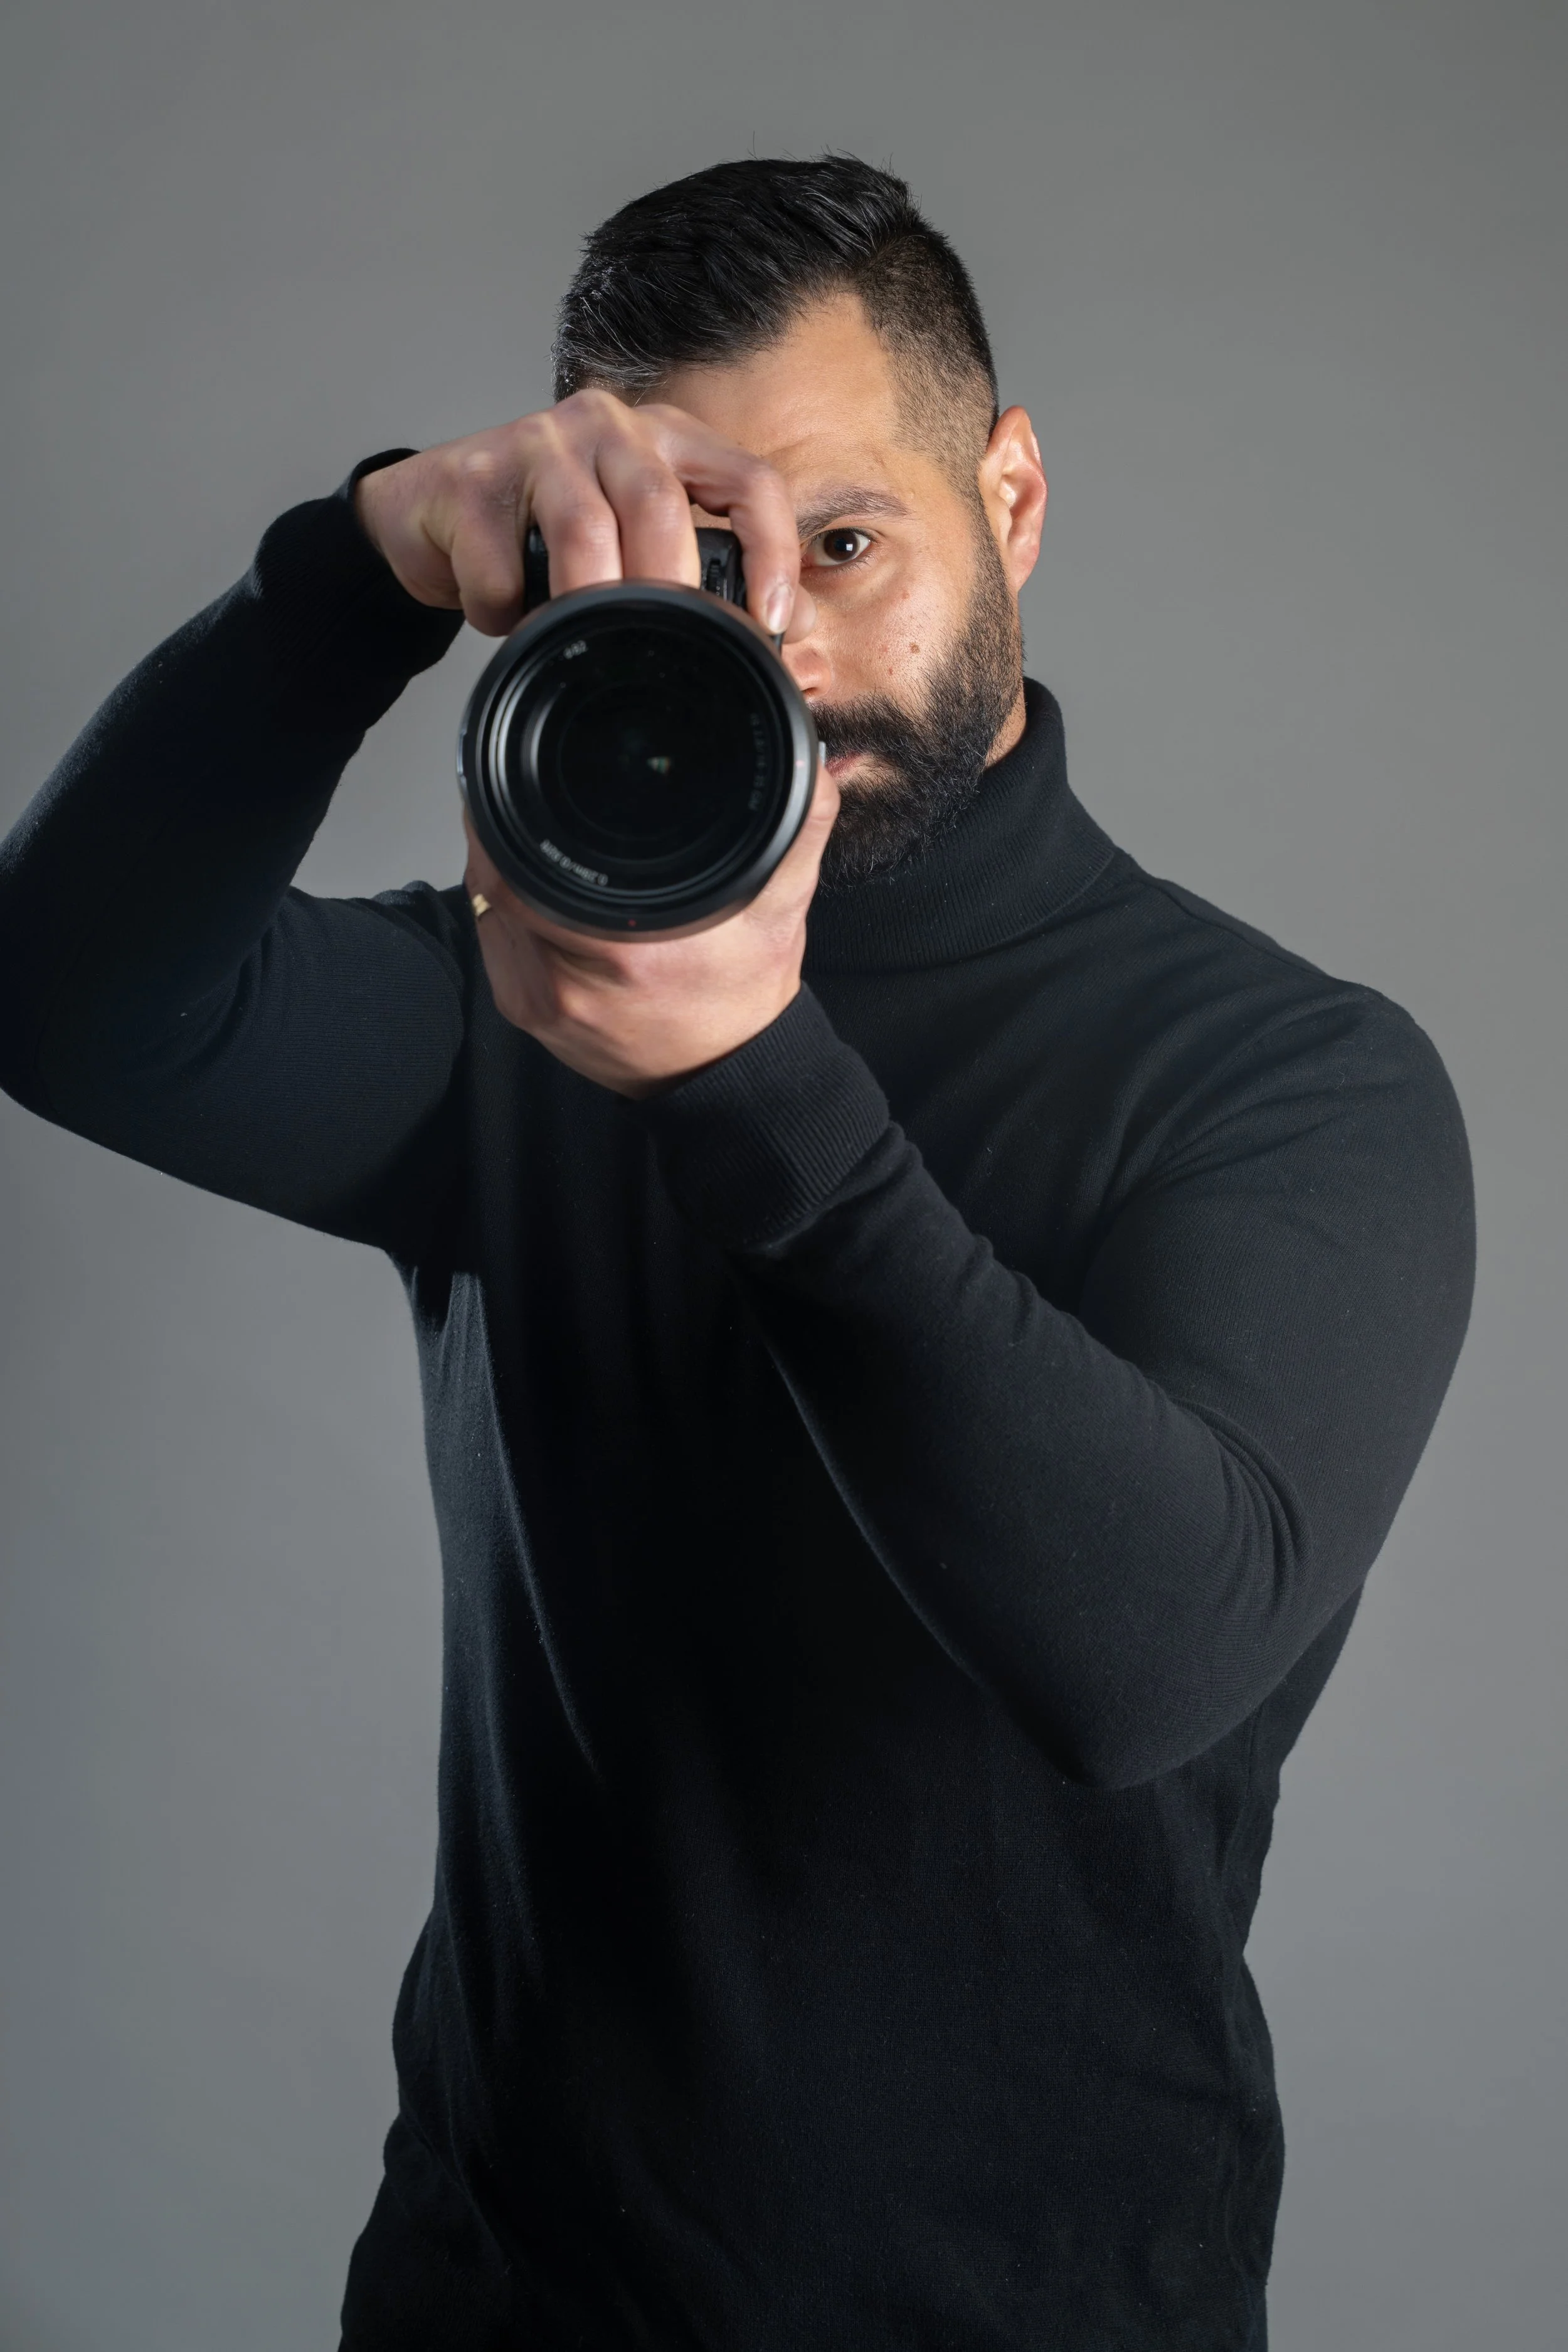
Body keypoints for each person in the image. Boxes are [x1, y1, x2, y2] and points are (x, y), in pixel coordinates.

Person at [0, 156, 1474, 2351]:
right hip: (490, 2301)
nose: (771, 635)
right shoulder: (527, 1010)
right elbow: (72, 1001)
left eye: (844, 544)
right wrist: (352, 574)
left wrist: (748, 1082)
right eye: (699, 569)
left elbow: (1142, 1659)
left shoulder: (1290, 1081)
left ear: (1015, 498)